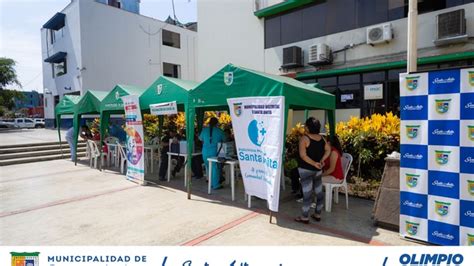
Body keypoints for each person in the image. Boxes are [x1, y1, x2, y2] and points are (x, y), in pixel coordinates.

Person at [294, 117, 330, 224]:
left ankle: (305, 217)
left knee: (307, 194)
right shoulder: (322, 138)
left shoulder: (304, 139)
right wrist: (321, 160)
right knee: (319, 192)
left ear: (308, 127)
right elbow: (328, 150)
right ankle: (317, 214)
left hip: (306, 170)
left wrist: (314, 163)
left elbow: (303, 155)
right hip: (318, 170)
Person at [199, 117, 225, 190]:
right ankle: (215, 185)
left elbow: (201, 139)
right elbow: (225, 139)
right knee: (214, 168)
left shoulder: (204, 130)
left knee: (209, 168)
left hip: (205, 152)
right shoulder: (219, 131)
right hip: (214, 152)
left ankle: (211, 183)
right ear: (217, 123)